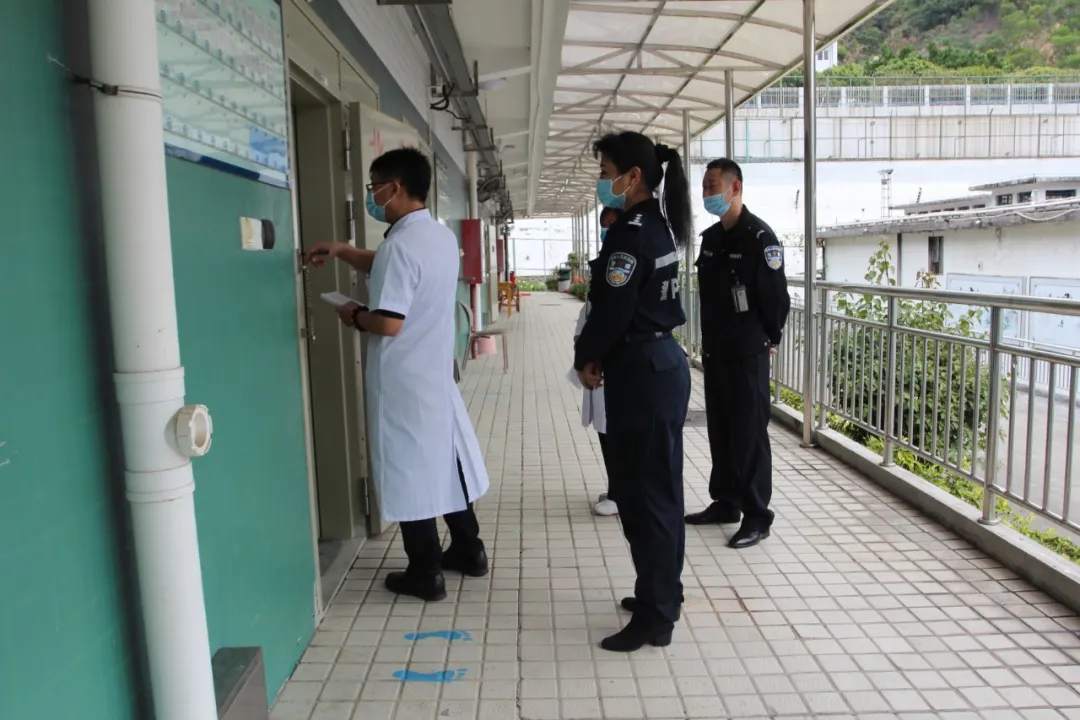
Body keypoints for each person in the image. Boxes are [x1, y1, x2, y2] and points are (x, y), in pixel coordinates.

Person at [304, 147, 489, 602]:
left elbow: (388, 322)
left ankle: (425, 572)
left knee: (409, 470)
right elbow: (390, 267)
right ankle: (469, 550)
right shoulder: (436, 236)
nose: (373, 196)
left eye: (375, 188)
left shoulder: (400, 246)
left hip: (403, 381)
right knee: (446, 462)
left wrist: (353, 313)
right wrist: (344, 251)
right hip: (433, 375)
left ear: (396, 187)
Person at [575, 131, 692, 652]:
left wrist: (587, 356)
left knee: (645, 497)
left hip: (642, 369)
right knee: (656, 491)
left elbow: (613, 310)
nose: (602, 181)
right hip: (657, 364)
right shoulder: (656, 224)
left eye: (605, 172)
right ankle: (661, 593)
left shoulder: (630, 233)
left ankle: (656, 615)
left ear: (633, 176)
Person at [685, 158, 790, 550]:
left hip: (748, 352)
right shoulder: (712, 239)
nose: (707, 193)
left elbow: (776, 298)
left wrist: (770, 337)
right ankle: (726, 502)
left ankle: (757, 516)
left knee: (749, 433)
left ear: (735, 188)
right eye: (704, 187)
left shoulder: (760, 238)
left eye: (713, 186)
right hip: (716, 351)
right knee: (722, 429)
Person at [573, 206, 623, 517]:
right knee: (605, 430)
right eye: (603, 226)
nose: (606, 231)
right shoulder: (606, 262)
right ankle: (616, 488)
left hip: (613, 365)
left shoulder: (624, 265)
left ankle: (620, 494)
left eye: (612, 225)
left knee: (614, 431)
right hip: (598, 362)